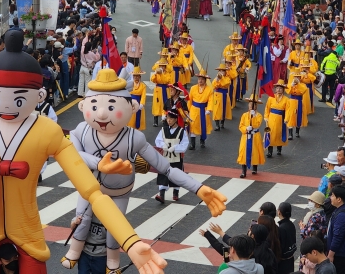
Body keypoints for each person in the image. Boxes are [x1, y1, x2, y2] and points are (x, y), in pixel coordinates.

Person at [0, 31, 169, 274]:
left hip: (28, 232)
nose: (7, 107)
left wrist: (130, 241)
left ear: (39, 96)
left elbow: (93, 193)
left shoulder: (46, 131)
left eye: (20, 99)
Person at [63, 68, 226, 272]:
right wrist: (98, 164)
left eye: (112, 106)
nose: (102, 114)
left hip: (118, 192)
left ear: (131, 107)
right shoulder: (82, 130)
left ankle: (113, 263)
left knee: (116, 228)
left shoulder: (134, 138)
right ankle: (74, 250)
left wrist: (198, 188)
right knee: (82, 219)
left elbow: (165, 168)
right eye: (94, 106)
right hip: (90, 191)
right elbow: (73, 154)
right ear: (83, 106)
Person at [153, 110, 189, 203]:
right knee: (163, 173)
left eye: (171, 119)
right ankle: (161, 194)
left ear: (175, 119)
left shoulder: (181, 131)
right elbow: (158, 140)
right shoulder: (163, 130)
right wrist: (162, 145)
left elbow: (185, 144)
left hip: (176, 158)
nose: (169, 120)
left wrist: (176, 148)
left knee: (177, 174)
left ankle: (175, 192)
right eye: (168, 118)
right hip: (165, 157)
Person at [326, 186, 345, 274]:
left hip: (340, 254)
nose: (330, 197)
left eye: (333, 195)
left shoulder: (341, 216)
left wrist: (331, 255)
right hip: (342, 252)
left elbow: (337, 237)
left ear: (339, 199)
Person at [238, 95, 265, 178]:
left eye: (253, 104)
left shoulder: (259, 116)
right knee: (244, 152)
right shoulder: (244, 115)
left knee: (255, 151)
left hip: (255, 135)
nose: (251, 106)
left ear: (256, 106)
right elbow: (240, 126)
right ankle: (243, 171)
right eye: (250, 104)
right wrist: (246, 128)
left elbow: (257, 124)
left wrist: (253, 118)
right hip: (246, 135)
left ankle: (254, 167)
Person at [189, 68, 213, 150]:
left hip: (203, 109)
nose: (200, 81)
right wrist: (188, 110)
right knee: (192, 126)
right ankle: (192, 144)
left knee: (203, 126)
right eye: (199, 79)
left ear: (205, 80)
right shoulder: (193, 88)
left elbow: (211, 101)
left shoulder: (209, 90)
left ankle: (202, 141)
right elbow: (190, 100)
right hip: (194, 109)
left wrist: (209, 109)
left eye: (202, 79)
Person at [277, 202, 297, 274]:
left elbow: (280, 246)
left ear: (279, 212)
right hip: (290, 259)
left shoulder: (281, 228)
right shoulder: (291, 224)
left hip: (283, 262)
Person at [212, 63, 232, 131]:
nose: (221, 72)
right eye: (220, 71)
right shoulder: (216, 78)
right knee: (216, 110)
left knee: (224, 110)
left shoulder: (227, 78)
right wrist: (217, 80)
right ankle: (217, 125)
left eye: (222, 71)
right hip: (217, 94)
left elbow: (225, 84)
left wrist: (221, 78)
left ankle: (222, 123)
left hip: (224, 95)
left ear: (225, 72)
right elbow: (214, 86)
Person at [128, 66, 147, 131]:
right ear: (133, 76)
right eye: (135, 76)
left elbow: (143, 95)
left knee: (138, 119)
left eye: (137, 76)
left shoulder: (143, 85)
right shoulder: (130, 84)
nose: (136, 77)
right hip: (131, 103)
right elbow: (126, 94)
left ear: (140, 77)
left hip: (139, 103)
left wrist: (141, 104)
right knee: (130, 119)